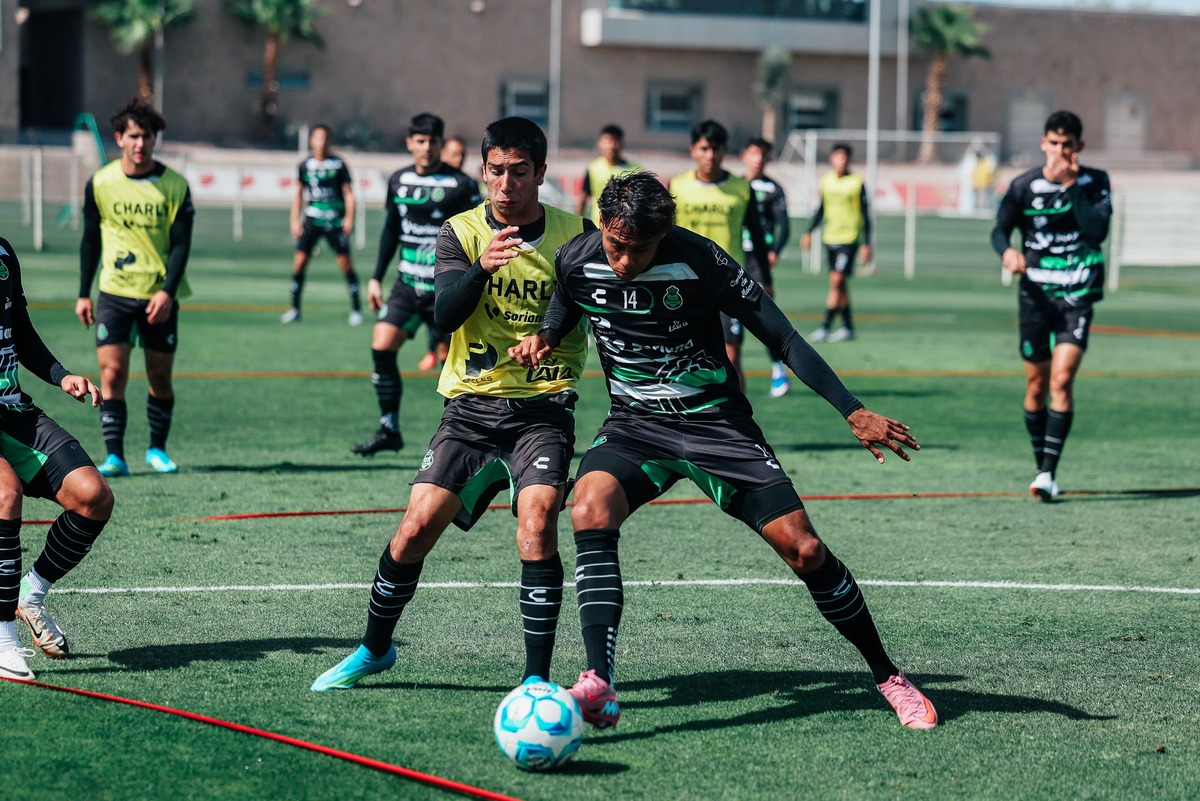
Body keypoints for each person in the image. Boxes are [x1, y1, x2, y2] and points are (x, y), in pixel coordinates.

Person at [510, 171, 937, 732]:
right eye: (615, 246)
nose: (622, 262)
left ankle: (888, 676)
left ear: (662, 236)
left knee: (805, 551)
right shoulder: (576, 256)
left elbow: (782, 337)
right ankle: (600, 681)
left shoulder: (701, 260)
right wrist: (544, 333)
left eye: (637, 251)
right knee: (587, 508)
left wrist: (852, 409)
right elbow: (569, 299)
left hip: (717, 426)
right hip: (636, 426)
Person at [312, 117, 593, 692]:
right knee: (414, 530)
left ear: (541, 174)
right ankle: (373, 649)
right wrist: (482, 269)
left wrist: (545, 333)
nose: (506, 185)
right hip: (469, 407)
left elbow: (574, 297)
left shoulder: (575, 233)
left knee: (537, 524)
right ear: (483, 172)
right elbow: (443, 314)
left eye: (520, 172)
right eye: (496, 172)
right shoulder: (460, 233)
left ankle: (536, 681)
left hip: (543, 409)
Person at [0, 236, 114, 681]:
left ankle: (31, 592)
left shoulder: (5, 253)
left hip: (13, 409)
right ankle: (3, 635)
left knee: (93, 497)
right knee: (6, 496)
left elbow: (20, 332)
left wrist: (62, 375)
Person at [991, 110, 1112, 501]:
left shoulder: (1096, 182)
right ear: (1044, 143)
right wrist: (1007, 251)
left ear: (1080, 147)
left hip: (1078, 294)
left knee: (1062, 380)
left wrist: (1071, 186)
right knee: (1036, 384)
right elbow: (999, 229)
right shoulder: (1023, 185)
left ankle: (1047, 474)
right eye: (1054, 143)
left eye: (1068, 144)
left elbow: (1098, 230)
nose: (1060, 150)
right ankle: (1040, 461)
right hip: (1035, 296)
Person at [350, 114, 482, 456]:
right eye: (420, 141)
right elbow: (392, 229)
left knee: (457, 367)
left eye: (432, 141)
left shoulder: (461, 185)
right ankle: (389, 427)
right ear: (410, 143)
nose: (426, 147)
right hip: (407, 285)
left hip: (446, 288)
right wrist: (376, 277)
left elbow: (479, 233)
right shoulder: (398, 180)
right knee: (381, 348)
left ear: (441, 144)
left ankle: (461, 440)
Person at [77, 97, 194, 477]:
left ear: (154, 139)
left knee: (159, 376)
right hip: (114, 291)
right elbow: (90, 240)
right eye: (133, 136)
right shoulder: (101, 183)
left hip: (159, 295)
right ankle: (114, 456)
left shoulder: (174, 185)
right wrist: (83, 291)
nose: (140, 143)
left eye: (146, 136)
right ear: (119, 138)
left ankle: (157, 450)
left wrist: (167, 291)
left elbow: (181, 245)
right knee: (111, 374)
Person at [669, 120, 767, 389]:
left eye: (716, 148)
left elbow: (756, 237)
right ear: (693, 150)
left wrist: (765, 278)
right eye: (704, 148)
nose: (710, 155)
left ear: (725, 151)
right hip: (684, 282)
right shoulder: (678, 186)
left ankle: (740, 422)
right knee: (683, 358)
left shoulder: (741, 189)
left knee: (731, 356)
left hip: (729, 282)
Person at [283, 124, 362, 326]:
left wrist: (349, 218)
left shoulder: (338, 164)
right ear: (312, 141)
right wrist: (295, 219)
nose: (322, 143)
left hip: (335, 220)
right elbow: (299, 193)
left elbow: (349, 193)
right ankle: (294, 308)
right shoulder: (305, 165)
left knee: (345, 264)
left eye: (325, 139)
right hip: (312, 219)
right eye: (318, 138)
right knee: (299, 262)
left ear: (330, 141)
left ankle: (356, 309)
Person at [801, 143, 872, 343]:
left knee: (836, 281)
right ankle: (848, 327)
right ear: (832, 159)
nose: (841, 161)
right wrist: (809, 232)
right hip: (830, 237)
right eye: (838, 157)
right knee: (840, 285)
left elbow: (866, 215)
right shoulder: (826, 181)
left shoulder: (857, 183)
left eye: (845, 158)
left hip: (849, 238)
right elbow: (821, 209)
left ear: (849, 160)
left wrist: (867, 244)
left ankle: (825, 326)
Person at [415, 133, 471, 372]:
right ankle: (433, 349)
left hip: (458, 257)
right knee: (432, 306)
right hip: (430, 257)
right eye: (454, 154)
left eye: (462, 154)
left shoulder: (466, 183)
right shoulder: (434, 183)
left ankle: (445, 351)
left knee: (450, 304)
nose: (458, 159)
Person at [741, 137, 793, 397]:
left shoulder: (774, 189)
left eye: (762, 155)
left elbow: (785, 227)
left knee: (762, 318)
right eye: (753, 154)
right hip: (734, 258)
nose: (757, 159)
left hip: (760, 262)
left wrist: (773, 252)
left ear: (768, 159)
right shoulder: (735, 186)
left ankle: (778, 370)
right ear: (745, 156)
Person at [576, 124, 640, 226]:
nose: (611, 146)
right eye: (607, 141)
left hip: (626, 227)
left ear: (622, 143)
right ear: (600, 143)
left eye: (615, 141)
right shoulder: (593, 168)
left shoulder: (635, 170)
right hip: (598, 226)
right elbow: (583, 198)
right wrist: (577, 224)